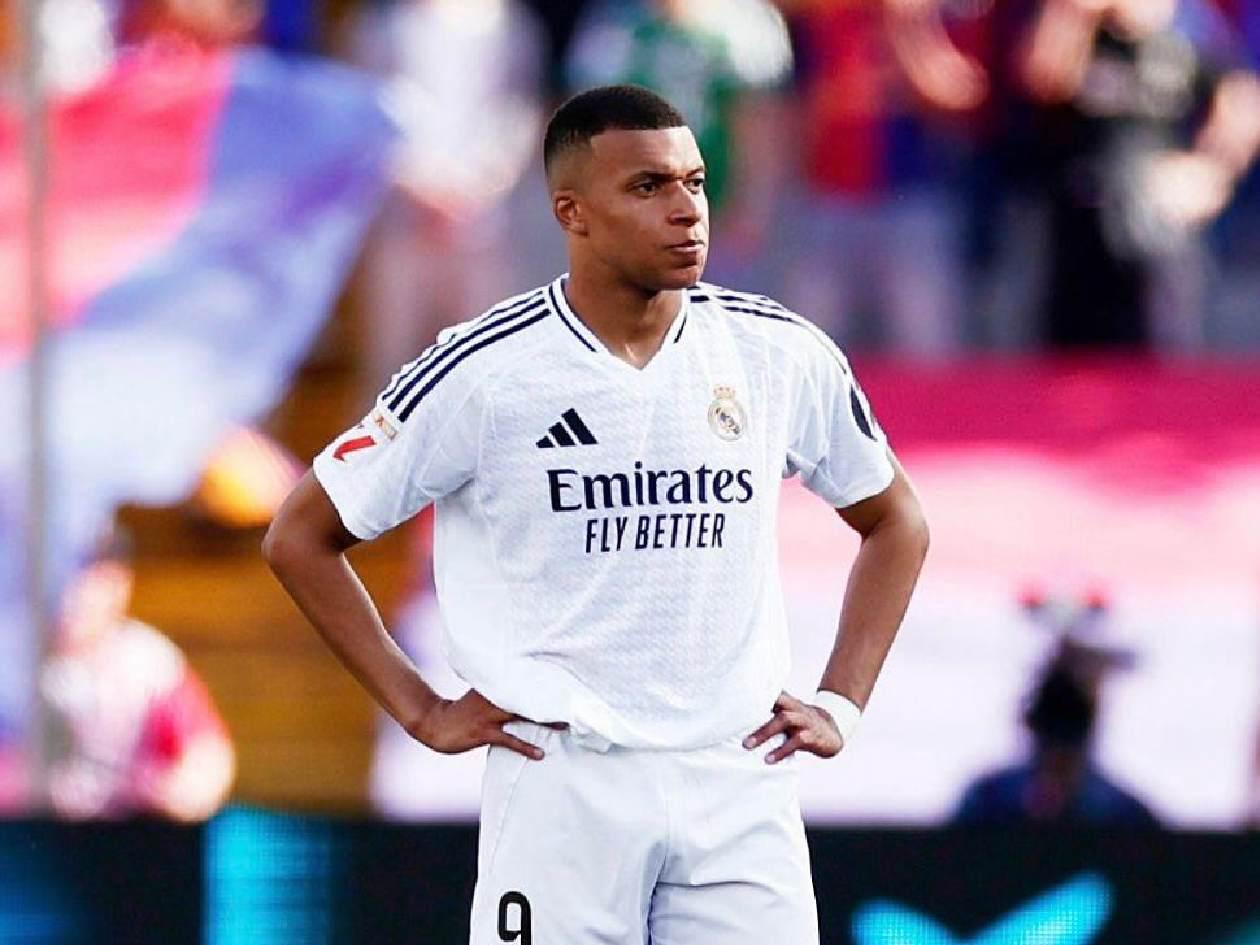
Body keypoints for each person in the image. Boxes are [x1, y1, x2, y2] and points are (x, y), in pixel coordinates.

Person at [264, 85, 929, 943]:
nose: (687, 209)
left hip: (738, 776)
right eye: (649, 187)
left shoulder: (776, 351)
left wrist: (842, 700)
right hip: (565, 779)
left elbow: (896, 520)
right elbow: (301, 536)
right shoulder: (484, 369)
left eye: (694, 183)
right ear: (571, 212)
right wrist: (421, 709)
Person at [40, 528, 237, 821]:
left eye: (88, 577)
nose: (71, 595)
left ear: (120, 584)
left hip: (119, 834)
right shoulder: (14, 656)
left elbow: (210, 758)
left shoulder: (147, 662)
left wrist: (175, 789)